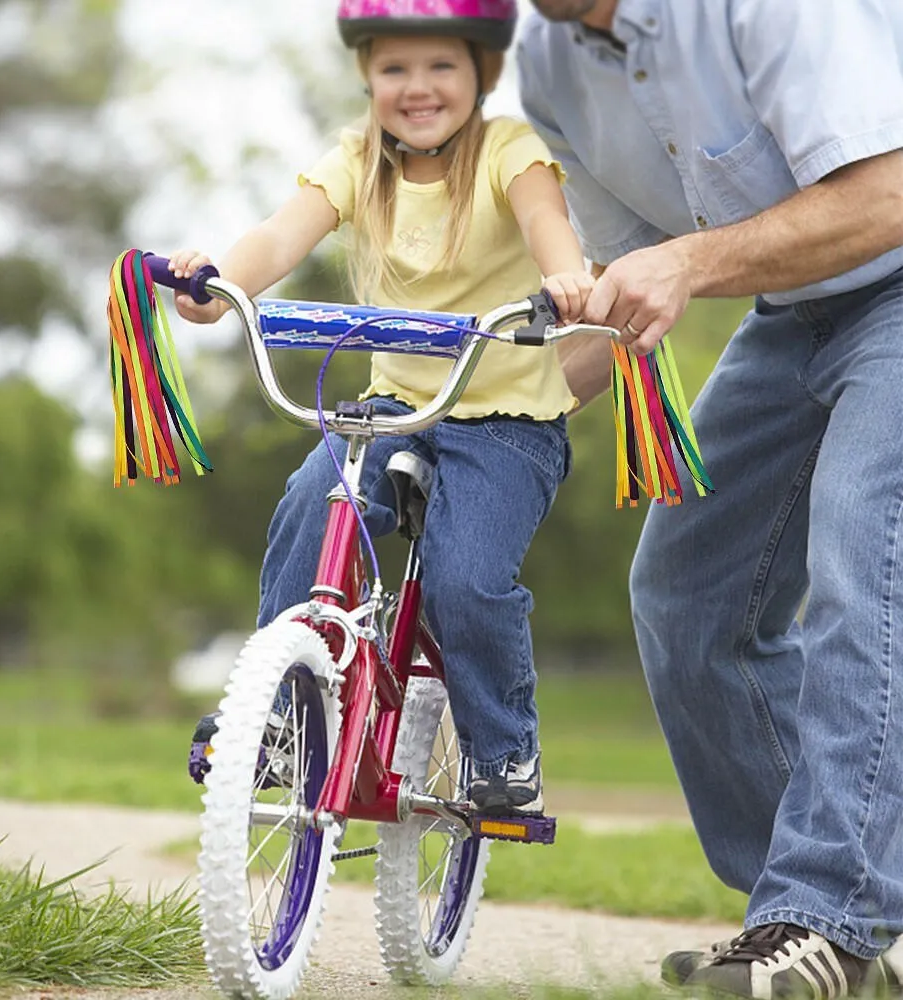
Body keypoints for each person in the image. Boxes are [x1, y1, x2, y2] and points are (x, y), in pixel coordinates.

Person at [518, 0, 903, 995]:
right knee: (689, 594)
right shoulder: (545, 65)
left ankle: (830, 915)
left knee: (863, 562)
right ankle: (818, 912)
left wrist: (687, 261)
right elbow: (614, 292)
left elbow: (887, 192)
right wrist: (467, 415)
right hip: (795, 310)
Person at [173, 0, 597, 816]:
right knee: (311, 507)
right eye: (394, 68)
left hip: (507, 423)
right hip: (394, 406)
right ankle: (280, 722)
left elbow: (547, 220)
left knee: (465, 579)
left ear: (484, 71)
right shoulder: (358, 159)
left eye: (442, 65)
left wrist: (566, 278)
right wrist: (219, 285)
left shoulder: (509, 150)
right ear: (367, 76)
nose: (417, 86)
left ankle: (504, 751)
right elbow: (279, 236)